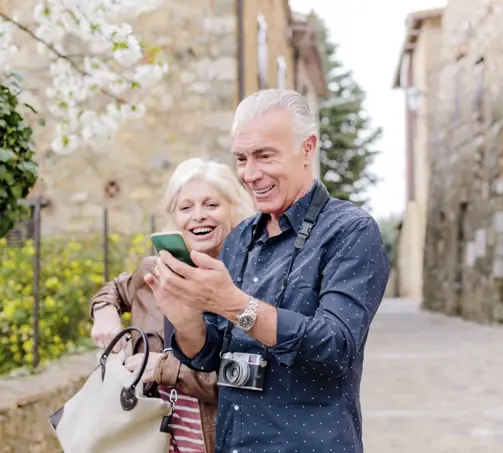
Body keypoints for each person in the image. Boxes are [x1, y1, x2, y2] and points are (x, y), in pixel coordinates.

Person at [144, 89, 390, 452]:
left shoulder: (350, 230)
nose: (250, 174)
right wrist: (187, 321)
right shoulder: (240, 236)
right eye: (241, 158)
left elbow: (336, 346)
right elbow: (212, 354)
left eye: (264, 156)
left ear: (308, 149)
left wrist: (234, 305)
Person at [88, 157, 255, 453]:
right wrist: (104, 311)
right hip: (149, 439)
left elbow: (252, 379)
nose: (198, 216)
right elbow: (115, 289)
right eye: (186, 207)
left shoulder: (252, 282)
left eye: (212, 205)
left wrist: (166, 369)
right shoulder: (156, 271)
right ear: (175, 217)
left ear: (234, 210)